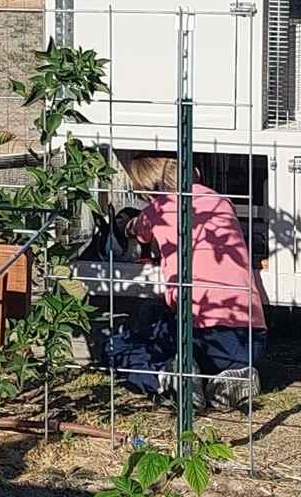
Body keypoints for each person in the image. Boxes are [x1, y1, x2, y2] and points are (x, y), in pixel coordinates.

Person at [92, 151, 265, 396]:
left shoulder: (158, 210)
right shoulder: (221, 202)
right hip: (251, 337)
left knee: (117, 346)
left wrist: (126, 225)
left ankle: (166, 379)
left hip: (203, 335)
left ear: (147, 189)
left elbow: (137, 231)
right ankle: (227, 376)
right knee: (171, 324)